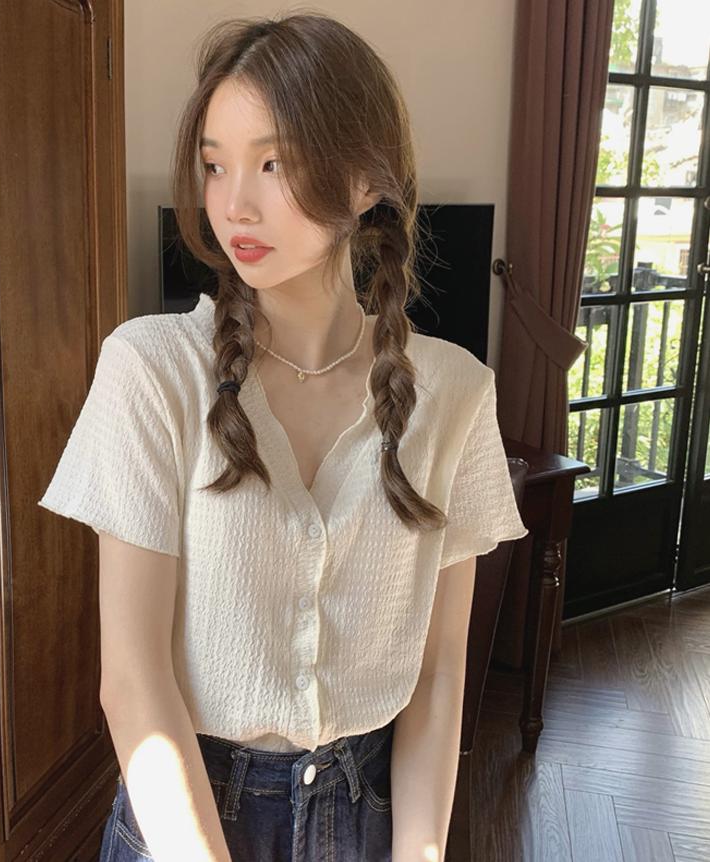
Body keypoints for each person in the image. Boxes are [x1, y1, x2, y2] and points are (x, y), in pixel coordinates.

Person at [38, 11, 528, 862]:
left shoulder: (454, 393)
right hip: (189, 814)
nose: (234, 203)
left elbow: (440, 672)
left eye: (273, 163)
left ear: (367, 179)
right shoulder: (152, 371)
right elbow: (134, 679)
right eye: (214, 165)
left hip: (370, 815)